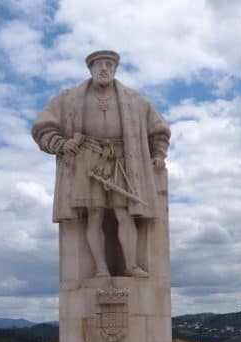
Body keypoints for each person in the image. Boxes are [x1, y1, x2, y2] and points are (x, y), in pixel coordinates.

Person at [32, 50, 170, 278]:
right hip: (87, 159)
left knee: (124, 213)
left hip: (124, 160)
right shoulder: (69, 98)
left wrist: (158, 154)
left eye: (109, 64)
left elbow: (159, 129)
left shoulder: (136, 100)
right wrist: (59, 143)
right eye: (99, 65)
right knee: (94, 214)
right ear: (91, 69)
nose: (104, 68)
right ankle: (100, 268)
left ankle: (130, 265)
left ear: (115, 69)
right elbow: (42, 125)